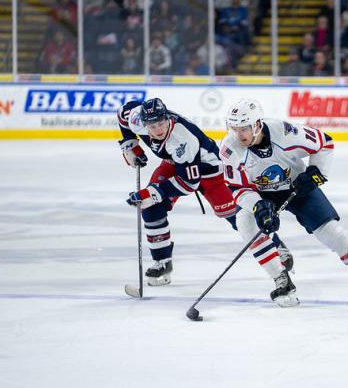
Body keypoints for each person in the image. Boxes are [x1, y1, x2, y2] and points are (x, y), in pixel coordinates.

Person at [219, 99, 348, 307]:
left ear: (257, 124)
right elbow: (237, 188)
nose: (239, 134)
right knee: (245, 222)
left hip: (297, 187)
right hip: (260, 193)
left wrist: (316, 173)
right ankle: (280, 278)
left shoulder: (286, 133)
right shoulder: (229, 148)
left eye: (244, 128)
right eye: (234, 128)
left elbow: (325, 143)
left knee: (332, 232)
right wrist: (257, 206)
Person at [117, 98, 292, 286]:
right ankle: (162, 262)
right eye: (152, 126)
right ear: (143, 123)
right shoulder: (136, 119)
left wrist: (152, 192)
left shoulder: (183, 139)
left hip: (211, 172)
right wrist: (129, 143)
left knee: (238, 217)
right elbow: (123, 113)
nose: (158, 129)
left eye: (161, 123)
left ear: (167, 118)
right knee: (151, 207)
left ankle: (276, 245)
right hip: (175, 164)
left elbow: (188, 183)